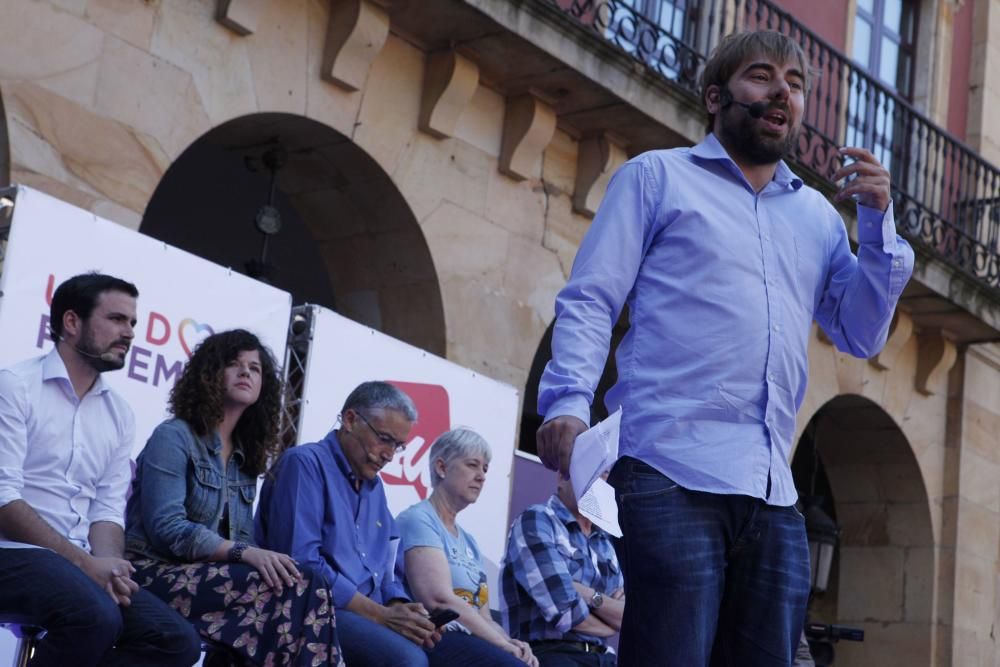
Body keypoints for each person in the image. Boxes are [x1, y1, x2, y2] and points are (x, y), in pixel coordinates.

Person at [535, 29, 914, 667]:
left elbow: (860, 331)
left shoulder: (819, 218)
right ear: (715, 96)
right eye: (763, 77)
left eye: (794, 85)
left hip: (773, 494)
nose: (781, 94)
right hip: (668, 470)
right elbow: (591, 297)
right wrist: (567, 400)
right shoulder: (656, 178)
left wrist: (877, 227)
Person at [0, 272, 201, 667]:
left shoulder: (119, 414)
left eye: (132, 323)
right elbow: (3, 499)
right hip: (11, 553)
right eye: (116, 319)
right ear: (71, 323)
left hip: (78, 568)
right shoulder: (15, 386)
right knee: (95, 615)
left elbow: (107, 510)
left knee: (176, 642)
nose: (128, 332)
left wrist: (109, 569)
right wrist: (83, 563)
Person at [125, 329, 343, 667]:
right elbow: (166, 528)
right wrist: (244, 553)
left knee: (294, 598)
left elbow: (240, 539)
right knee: (299, 588)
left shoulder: (245, 457)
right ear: (210, 374)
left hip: (211, 581)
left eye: (254, 368)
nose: (245, 372)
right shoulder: (174, 436)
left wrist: (249, 554)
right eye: (234, 364)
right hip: (153, 574)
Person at [256, 381, 442, 667]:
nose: (390, 455)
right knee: (409, 662)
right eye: (384, 438)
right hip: (314, 608)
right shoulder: (304, 464)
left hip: (367, 613)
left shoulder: (375, 488)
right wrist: (380, 615)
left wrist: (401, 609)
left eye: (398, 445)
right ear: (351, 420)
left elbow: (390, 569)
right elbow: (301, 565)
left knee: (445, 653)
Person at [397, 428, 538, 667]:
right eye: (473, 465)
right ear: (441, 468)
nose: (481, 476)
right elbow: (439, 599)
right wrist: (502, 646)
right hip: (435, 636)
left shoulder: (469, 541)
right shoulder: (418, 519)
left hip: (470, 639)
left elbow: (483, 616)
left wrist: (511, 642)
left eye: (485, 469)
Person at [500, 475, 623, 667]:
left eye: (604, 474)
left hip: (603, 657)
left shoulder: (604, 540)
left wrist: (586, 594)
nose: (597, 481)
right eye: (590, 472)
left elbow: (626, 617)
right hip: (549, 653)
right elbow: (566, 614)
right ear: (562, 478)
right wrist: (610, 624)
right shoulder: (537, 519)